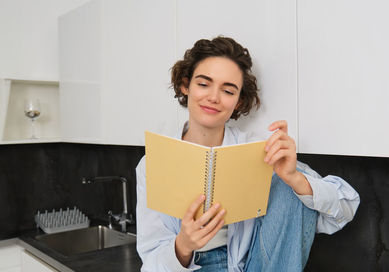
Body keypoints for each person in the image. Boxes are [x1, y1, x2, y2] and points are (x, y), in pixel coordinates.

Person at [136, 36, 360, 271]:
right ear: (185, 85)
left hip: (253, 265)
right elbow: (151, 262)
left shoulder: (257, 150)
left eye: (228, 90)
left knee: (287, 185)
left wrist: (295, 178)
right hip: (184, 266)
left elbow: (346, 208)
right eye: (203, 84)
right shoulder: (153, 163)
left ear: (239, 101)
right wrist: (183, 244)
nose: (213, 97)